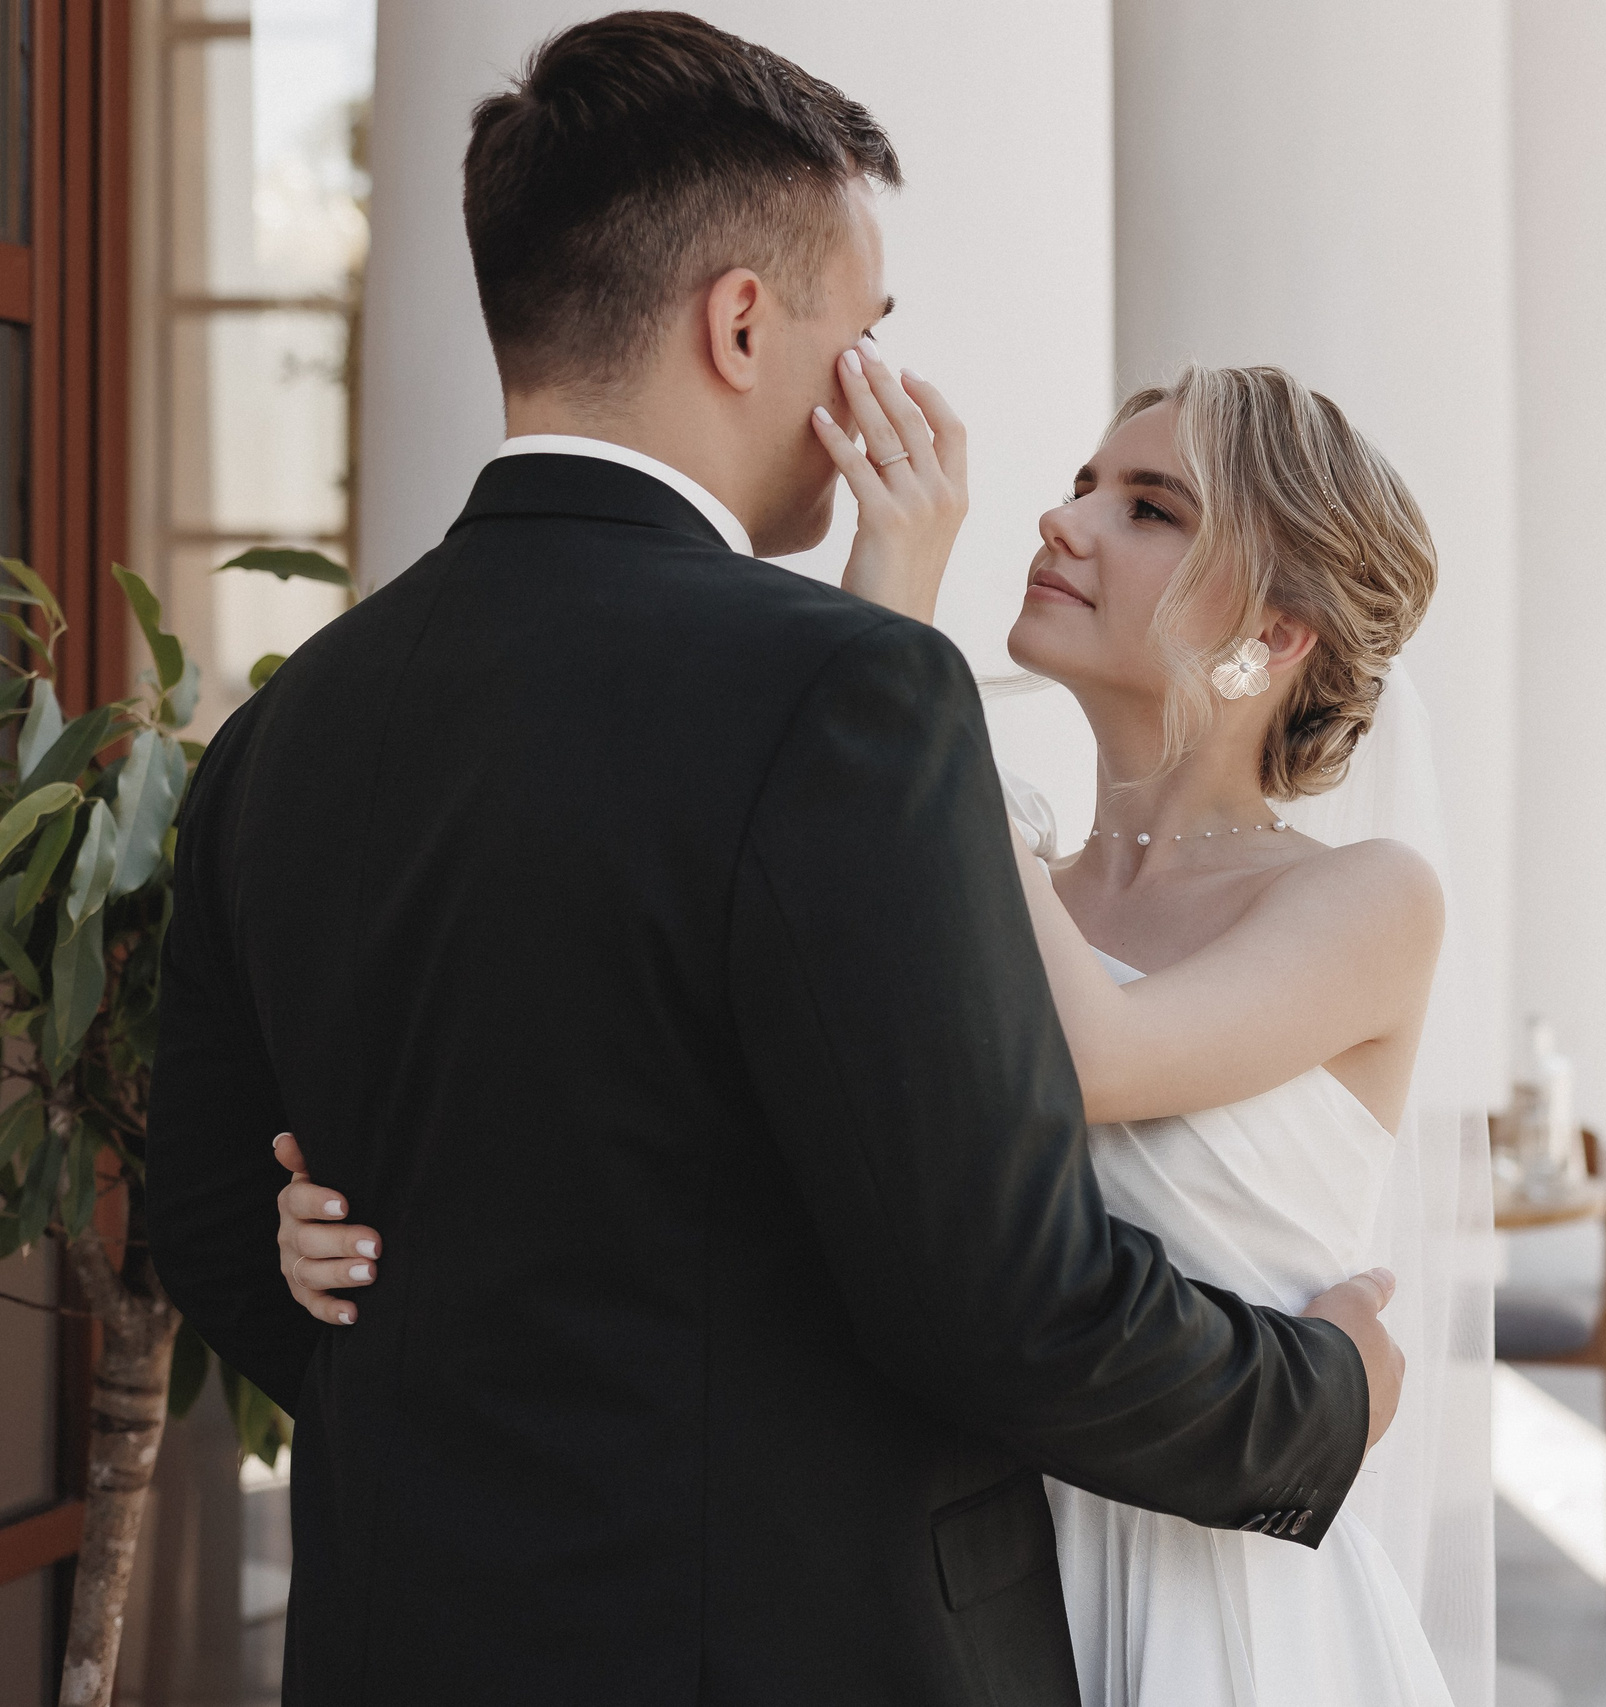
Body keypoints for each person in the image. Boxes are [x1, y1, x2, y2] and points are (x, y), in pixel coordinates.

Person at [146, 16, 1404, 1706]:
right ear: (743, 323)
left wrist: (391, 1336)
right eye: (864, 332)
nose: (881, 385)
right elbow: (999, 1298)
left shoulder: (278, 739)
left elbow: (215, 1220)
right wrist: (1322, 1399)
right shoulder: (844, 694)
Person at [278, 364, 1498, 1704]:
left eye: (1150, 509)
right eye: (1086, 482)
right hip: (960, 1589)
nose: (1065, 521)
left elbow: (1094, 1062)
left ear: (1273, 639)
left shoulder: (1367, 897)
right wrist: (360, 1207)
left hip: (1225, 1595)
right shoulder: (1003, 858)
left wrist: (899, 653)